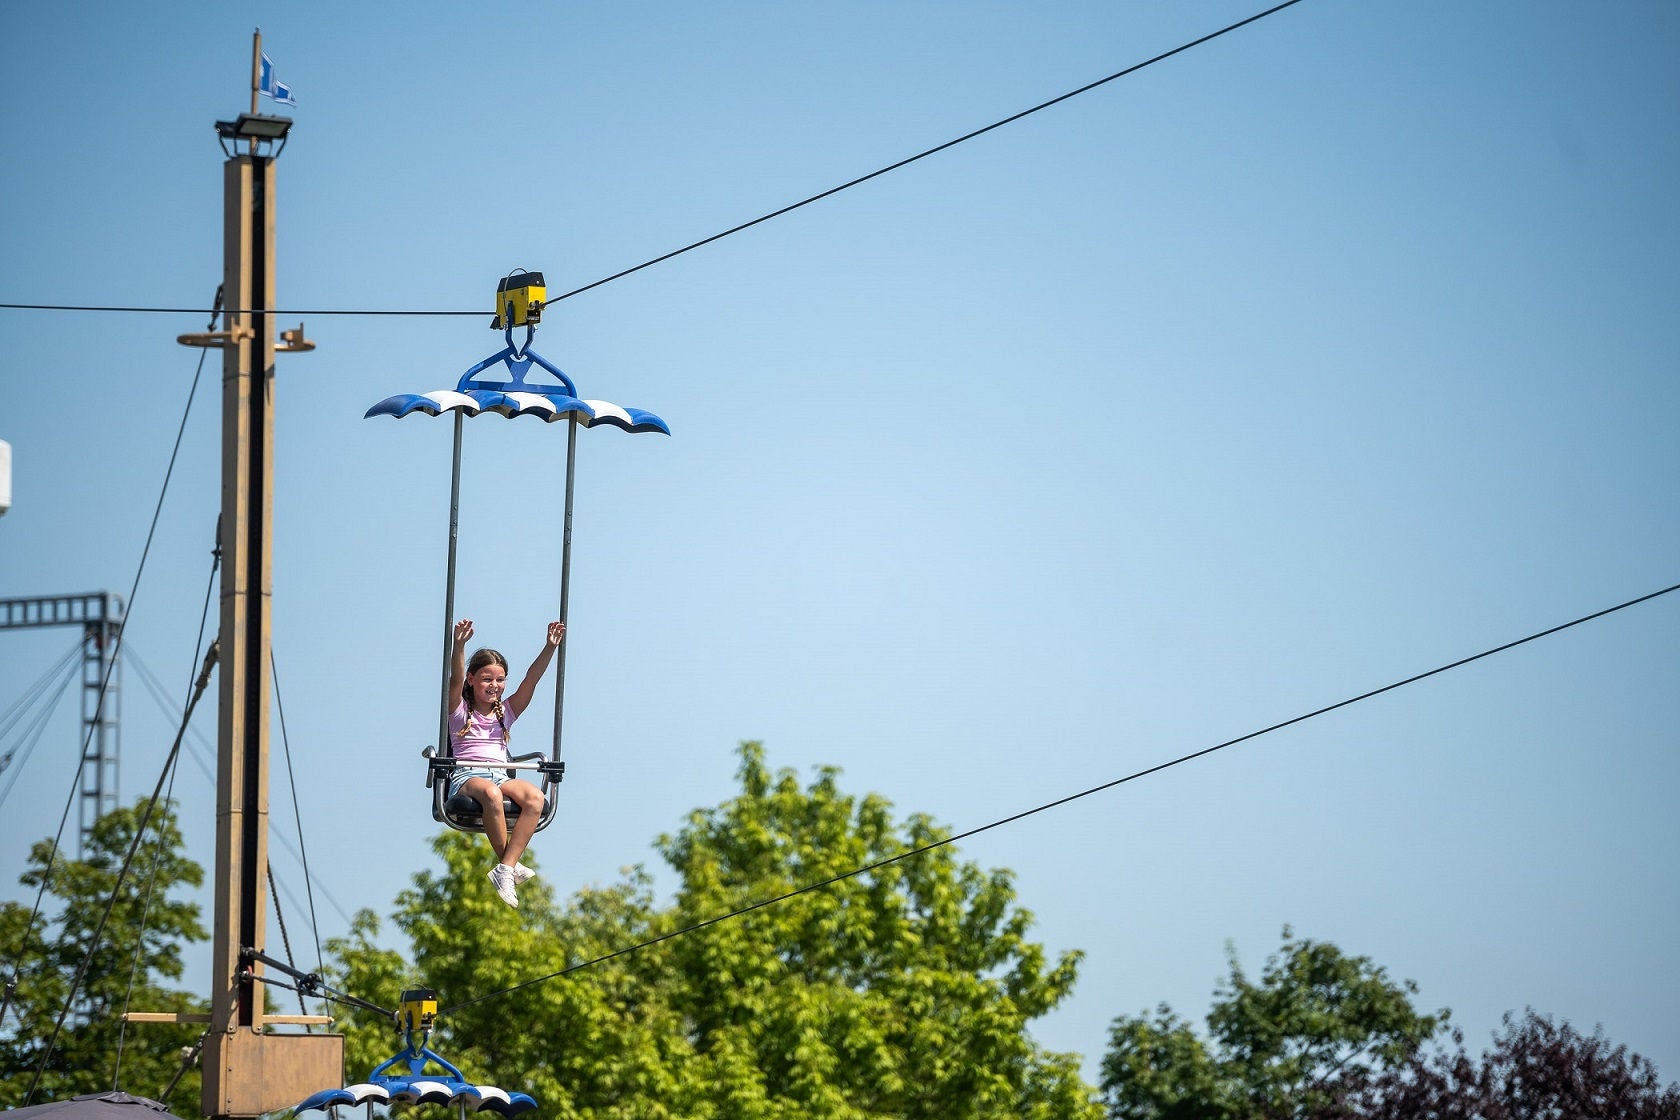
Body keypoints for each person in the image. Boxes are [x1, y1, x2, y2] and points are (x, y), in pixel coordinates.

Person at [446, 617, 565, 908]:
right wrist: (459, 645)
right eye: (487, 679)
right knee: (491, 793)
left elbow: (530, 681)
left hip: (499, 775)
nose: (494, 685)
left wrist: (549, 648)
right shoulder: (459, 711)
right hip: (467, 777)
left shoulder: (505, 713)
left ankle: (506, 867)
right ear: (472, 680)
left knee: (535, 798)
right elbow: (454, 678)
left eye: (499, 680)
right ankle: (508, 867)